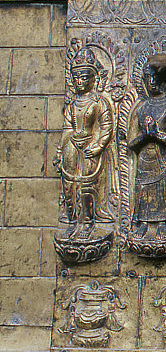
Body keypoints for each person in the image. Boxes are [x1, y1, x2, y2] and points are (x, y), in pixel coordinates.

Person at [54, 48, 114, 239]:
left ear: (94, 79)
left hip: (90, 146)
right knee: (69, 186)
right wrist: (59, 151)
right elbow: (67, 129)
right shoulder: (72, 104)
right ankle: (72, 221)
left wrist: (98, 146)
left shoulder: (99, 101)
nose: (79, 82)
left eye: (84, 77)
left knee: (87, 186)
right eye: (76, 77)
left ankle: (88, 221)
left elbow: (107, 127)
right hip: (72, 147)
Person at [128, 67, 166, 244]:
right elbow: (131, 143)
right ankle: (144, 222)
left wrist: (157, 135)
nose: (152, 81)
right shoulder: (142, 109)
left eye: (156, 77)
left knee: (165, 190)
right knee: (144, 190)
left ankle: (164, 222)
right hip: (145, 161)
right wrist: (145, 136)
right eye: (148, 77)